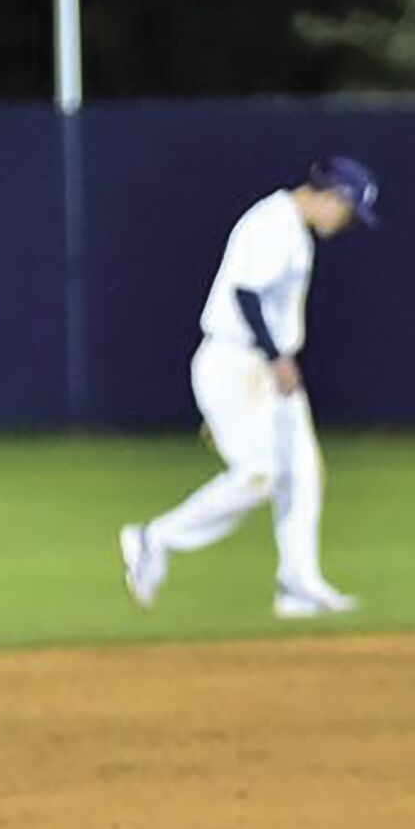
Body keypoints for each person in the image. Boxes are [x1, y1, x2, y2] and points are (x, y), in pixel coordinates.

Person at [119, 157, 379, 619]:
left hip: (266, 363)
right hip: (239, 361)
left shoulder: (294, 228)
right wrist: (275, 357)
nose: (347, 223)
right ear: (332, 195)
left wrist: (277, 358)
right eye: (348, 211)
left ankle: (298, 586)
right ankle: (154, 538)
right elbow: (246, 293)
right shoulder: (273, 221)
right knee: (259, 474)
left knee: (302, 472)